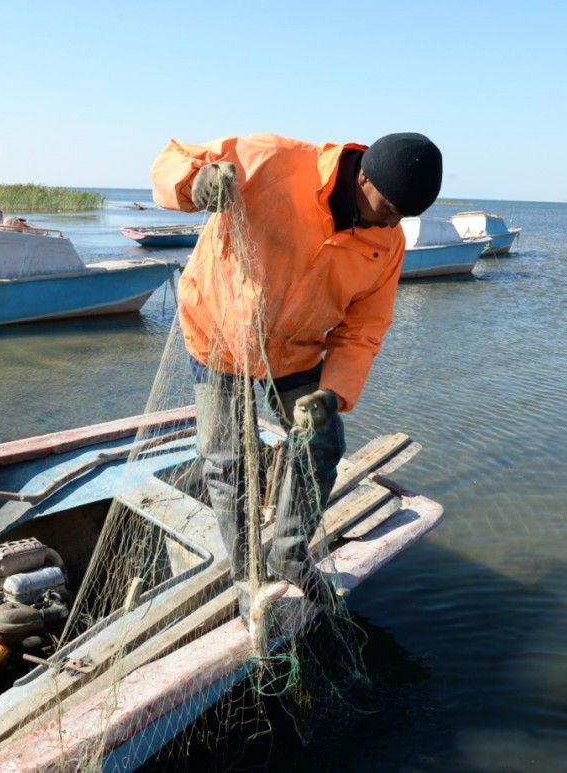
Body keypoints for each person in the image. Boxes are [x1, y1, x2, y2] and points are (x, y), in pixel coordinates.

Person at [149, 132, 443, 624]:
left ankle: (288, 551)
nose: (392, 223)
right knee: (227, 462)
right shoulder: (273, 160)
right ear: (363, 176)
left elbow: (364, 328)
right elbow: (170, 161)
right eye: (389, 207)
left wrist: (333, 392)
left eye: (404, 217)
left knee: (322, 442)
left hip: (293, 350)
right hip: (218, 333)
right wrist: (194, 181)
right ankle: (247, 577)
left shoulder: (386, 243)